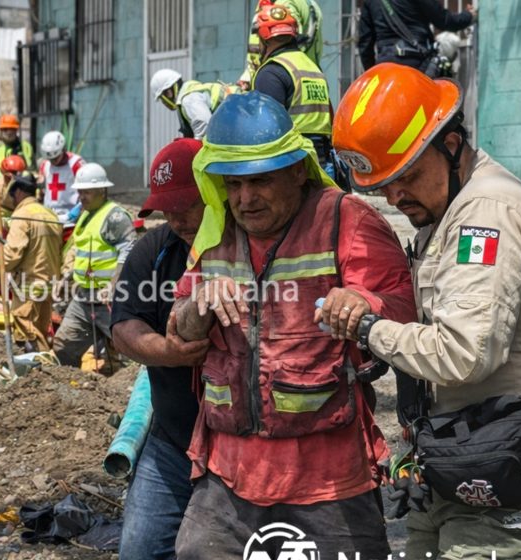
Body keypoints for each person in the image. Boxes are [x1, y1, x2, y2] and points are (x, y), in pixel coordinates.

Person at [334, 63, 521, 559]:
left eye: (407, 176)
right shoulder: (446, 213)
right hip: (463, 456)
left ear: (451, 146)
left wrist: (371, 330)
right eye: (384, 184)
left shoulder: (486, 214)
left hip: (515, 466)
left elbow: (465, 353)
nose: (394, 196)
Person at [169, 92, 415, 559]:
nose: (244, 198)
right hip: (227, 480)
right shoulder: (215, 230)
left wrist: (360, 302)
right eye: (233, 184)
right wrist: (198, 307)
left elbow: (404, 310)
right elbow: (177, 332)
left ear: (298, 170)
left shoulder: (346, 219)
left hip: (328, 483)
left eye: (260, 181)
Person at [110, 138, 210, 559]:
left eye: (188, 205)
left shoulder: (247, 245)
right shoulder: (154, 250)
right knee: (139, 551)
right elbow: (123, 325)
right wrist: (164, 351)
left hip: (241, 448)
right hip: (172, 440)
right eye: (168, 209)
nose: (177, 218)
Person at [52, 163, 136, 371]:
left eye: (86, 192)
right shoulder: (86, 215)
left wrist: (114, 285)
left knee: (130, 352)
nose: (81, 197)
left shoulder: (115, 217)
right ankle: (70, 384)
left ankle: (132, 392)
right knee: (64, 346)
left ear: (102, 190)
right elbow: (83, 254)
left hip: (109, 299)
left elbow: (129, 251)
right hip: (83, 297)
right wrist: (67, 277)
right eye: (79, 192)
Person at [251, 0, 335, 178]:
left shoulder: (271, 71)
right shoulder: (312, 67)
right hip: (324, 162)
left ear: (264, 37)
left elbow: (266, 128)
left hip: (293, 164)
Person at [0, 175, 63, 352]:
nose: (12, 201)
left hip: (28, 286)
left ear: (20, 192)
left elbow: (13, 253)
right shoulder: (50, 214)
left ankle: (44, 369)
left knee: (28, 334)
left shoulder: (22, 215)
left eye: (13, 196)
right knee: (40, 331)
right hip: (48, 285)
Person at [358, 0, 477, 76]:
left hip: (385, 66)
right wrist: (468, 15)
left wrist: (372, 73)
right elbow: (445, 20)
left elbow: (365, 44)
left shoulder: (369, 2)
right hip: (417, 62)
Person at [239, 0, 324, 89]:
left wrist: (249, 78)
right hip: (313, 77)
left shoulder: (283, 5)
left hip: (283, 80)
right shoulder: (311, 5)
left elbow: (286, 40)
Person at [148, 69, 230, 139]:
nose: (164, 103)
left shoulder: (189, 99)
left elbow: (204, 128)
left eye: (162, 99)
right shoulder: (191, 92)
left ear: (168, 93)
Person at [37, 131, 84, 224]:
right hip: (49, 216)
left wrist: (79, 209)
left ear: (63, 150)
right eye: (50, 159)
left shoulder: (76, 164)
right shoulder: (45, 165)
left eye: (56, 158)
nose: (53, 162)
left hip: (72, 217)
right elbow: (41, 193)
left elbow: (87, 192)